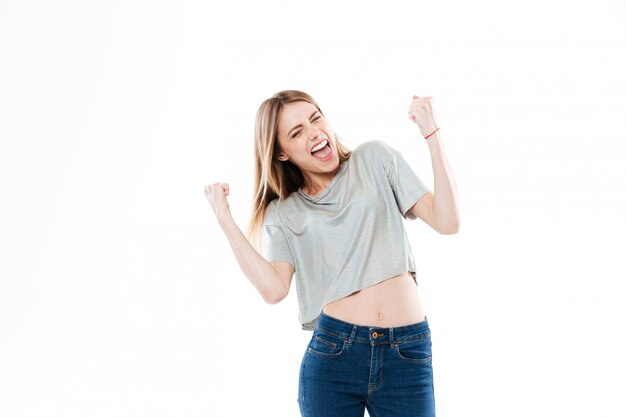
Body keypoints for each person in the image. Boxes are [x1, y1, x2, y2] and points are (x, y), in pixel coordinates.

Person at [204, 90, 460, 417]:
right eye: (296, 133)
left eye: (315, 118)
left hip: (406, 352)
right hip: (334, 355)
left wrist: (431, 133)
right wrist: (224, 217)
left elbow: (448, 221)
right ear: (281, 153)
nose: (313, 132)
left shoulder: (374, 158)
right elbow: (273, 289)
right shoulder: (284, 212)